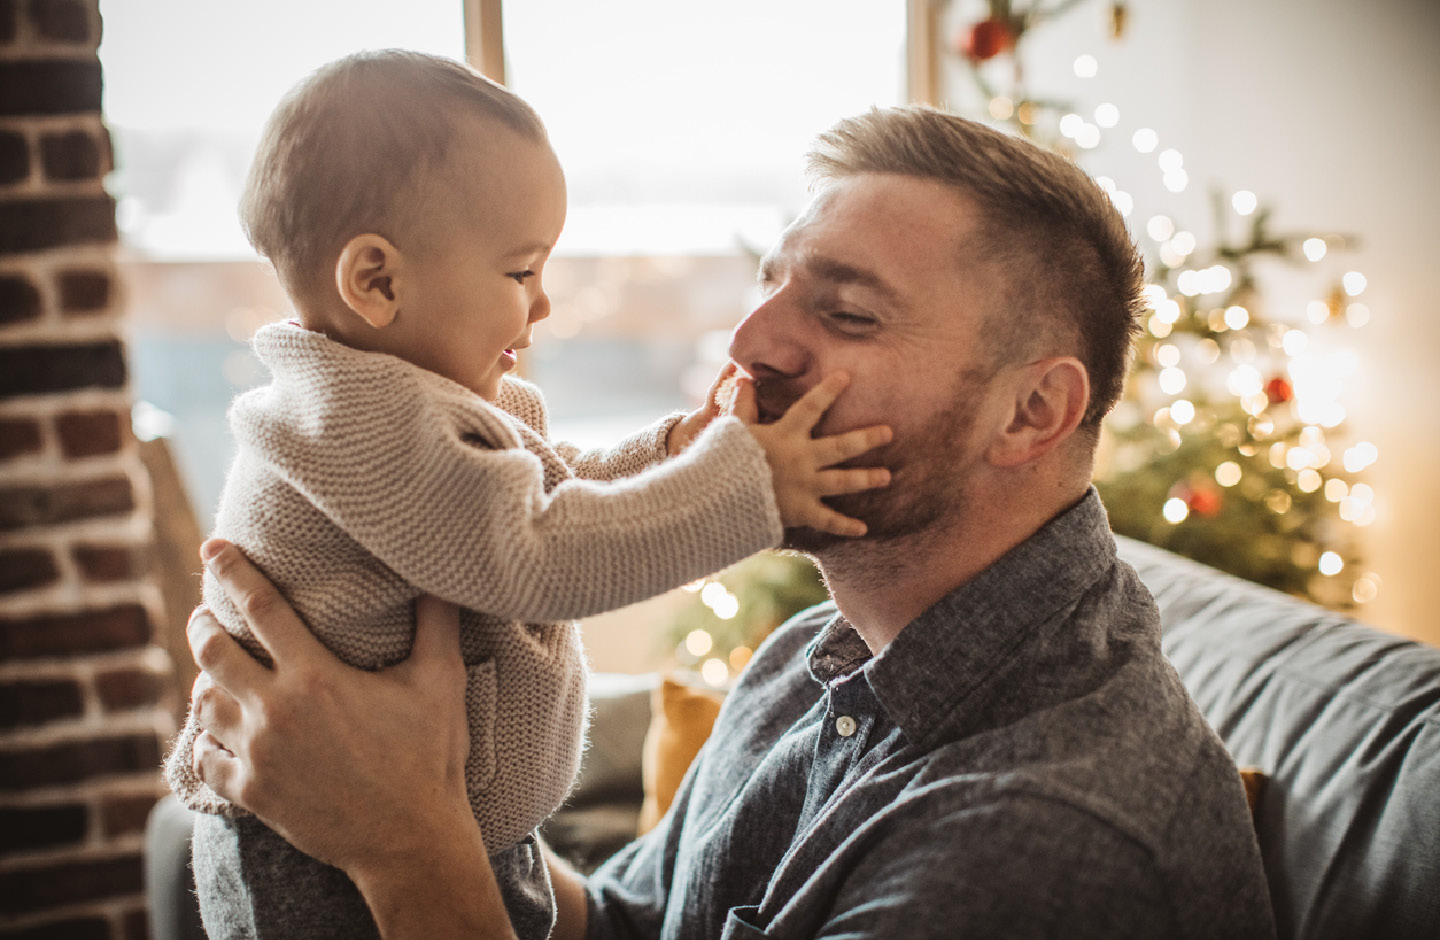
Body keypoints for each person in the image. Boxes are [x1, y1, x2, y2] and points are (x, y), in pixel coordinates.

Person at [184, 105, 1277, 939]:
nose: (751, 341)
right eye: (771, 287)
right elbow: (630, 923)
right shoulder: (820, 657)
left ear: (1032, 411)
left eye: (845, 314)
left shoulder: (1036, 841)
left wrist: (403, 846)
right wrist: (393, 791)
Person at [164, 50, 895, 940]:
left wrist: (675, 451)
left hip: (417, 834)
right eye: (520, 273)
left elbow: (551, 491)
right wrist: (748, 487)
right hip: (325, 870)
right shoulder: (358, 422)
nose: (543, 305)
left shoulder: (411, 400)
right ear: (377, 282)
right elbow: (540, 553)